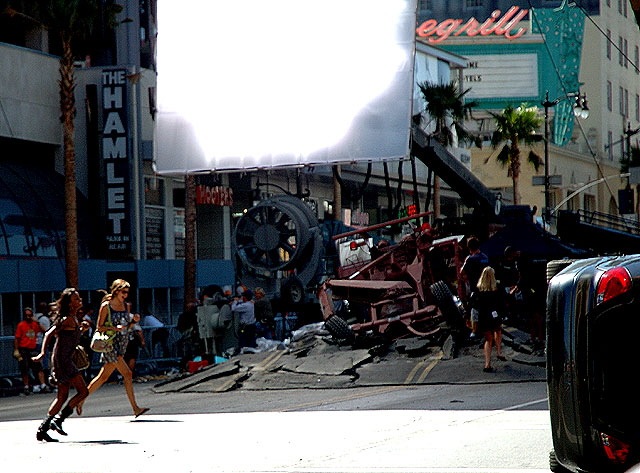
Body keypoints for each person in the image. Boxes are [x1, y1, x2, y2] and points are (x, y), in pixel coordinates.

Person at [76, 279, 149, 418]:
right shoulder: (106, 306)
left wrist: (133, 322)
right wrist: (114, 328)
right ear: (116, 291)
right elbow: (99, 327)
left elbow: (127, 328)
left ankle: (81, 399)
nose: (126, 295)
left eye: (127, 292)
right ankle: (135, 408)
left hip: (121, 343)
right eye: (123, 292)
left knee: (102, 377)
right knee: (127, 374)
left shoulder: (124, 305)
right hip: (110, 345)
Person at [32, 288, 90, 442]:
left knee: (62, 396)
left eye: (79, 298)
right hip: (63, 360)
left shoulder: (73, 318)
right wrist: (42, 353)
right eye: (76, 299)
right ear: (70, 304)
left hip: (63, 359)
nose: (80, 300)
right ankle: (58, 420)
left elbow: (70, 338)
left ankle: (43, 429)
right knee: (83, 391)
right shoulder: (67, 319)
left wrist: (81, 330)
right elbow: (48, 333)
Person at [469, 266, 506, 373]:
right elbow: (503, 302)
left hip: (483, 317)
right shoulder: (497, 287)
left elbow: (473, 304)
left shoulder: (478, 289)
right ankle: (499, 352)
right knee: (498, 331)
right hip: (494, 315)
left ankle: (487, 364)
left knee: (488, 339)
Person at [14, 307, 47, 394]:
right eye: (26, 315)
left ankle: (43, 385)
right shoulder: (21, 325)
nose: (28, 317)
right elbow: (17, 338)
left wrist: (37, 322)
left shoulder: (35, 324)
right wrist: (16, 350)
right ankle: (26, 386)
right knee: (24, 368)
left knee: (38, 368)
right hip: (24, 349)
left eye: (30, 315)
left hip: (33, 348)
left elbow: (44, 330)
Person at [124, 303, 146, 375]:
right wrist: (142, 341)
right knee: (132, 357)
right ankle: (130, 373)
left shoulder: (117, 316)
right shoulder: (131, 316)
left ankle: (125, 374)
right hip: (130, 339)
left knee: (123, 357)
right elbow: (138, 330)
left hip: (121, 340)